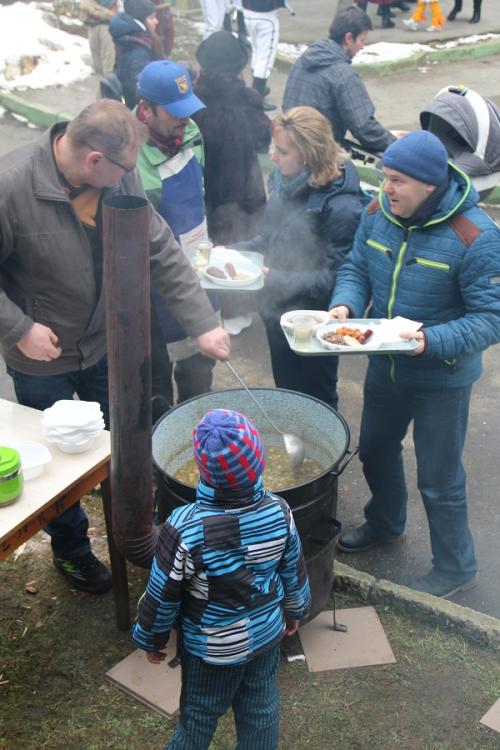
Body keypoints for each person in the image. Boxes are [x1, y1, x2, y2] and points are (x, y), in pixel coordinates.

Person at [0, 99, 230, 595]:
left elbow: (161, 246)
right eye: (125, 168)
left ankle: (138, 535)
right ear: (93, 161)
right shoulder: (10, 185)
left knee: (125, 443)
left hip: (105, 344)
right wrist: (19, 328)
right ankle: (74, 552)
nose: (132, 177)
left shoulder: (115, 177)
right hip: (42, 355)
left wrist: (203, 322)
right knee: (56, 464)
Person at [329, 130, 500, 597]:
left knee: (439, 480)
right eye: (386, 177)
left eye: (398, 181)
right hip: (386, 364)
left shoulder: (476, 236)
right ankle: (385, 522)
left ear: (430, 184)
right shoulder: (376, 213)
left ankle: (456, 566)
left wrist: (429, 341)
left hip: (441, 377)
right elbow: (356, 268)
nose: (388, 189)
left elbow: (490, 318)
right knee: (376, 450)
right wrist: (345, 304)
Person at [132, 408, 311, 750]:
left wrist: (151, 638)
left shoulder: (185, 526)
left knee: (198, 718)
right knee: (261, 711)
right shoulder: (280, 510)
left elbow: (162, 593)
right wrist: (294, 610)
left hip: (212, 649)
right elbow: (293, 568)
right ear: (259, 461)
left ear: (202, 469)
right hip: (265, 635)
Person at [236, 106, 364, 409]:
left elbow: (335, 277)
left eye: (282, 151)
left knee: (316, 400)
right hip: (277, 310)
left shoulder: (341, 205)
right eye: (273, 148)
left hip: (314, 321)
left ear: (309, 154)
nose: (274, 158)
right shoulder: (288, 183)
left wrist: (273, 277)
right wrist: (235, 252)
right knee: (288, 394)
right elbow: (270, 238)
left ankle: (325, 454)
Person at [135, 60, 218, 413]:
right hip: (153, 284)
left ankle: (197, 439)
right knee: (153, 384)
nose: (183, 121)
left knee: (200, 374)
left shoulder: (191, 132)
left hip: (198, 271)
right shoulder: (128, 153)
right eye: (174, 113)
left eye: (187, 111)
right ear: (145, 110)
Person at [193, 30, 271, 246]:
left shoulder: (192, 102)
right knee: (244, 259)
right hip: (246, 197)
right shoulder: (249, 100)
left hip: (205, 197)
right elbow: (263, 143)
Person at [283, 5, 396, 154]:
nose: (362, 47)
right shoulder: (343, 74)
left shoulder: (305, 58)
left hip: (289, 146)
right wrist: (398, 146)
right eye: (362, 40)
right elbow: (365, 128)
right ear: (348, 38)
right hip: (318, 156)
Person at [109, 0, 163, 109]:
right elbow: (140, 87)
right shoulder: (137, 51)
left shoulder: (135, 40)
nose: (156, 21)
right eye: (152, 18)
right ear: (141, 21)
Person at [242, 0, 287, 111]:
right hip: (266, 15)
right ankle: (257, 96)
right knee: (265, 58)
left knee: (257, 52)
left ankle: (257, 90)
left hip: (248, 13)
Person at [80, 0, 118, 76]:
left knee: (108, 66)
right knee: (100, 65)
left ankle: (107, 84)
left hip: (105, 24)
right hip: (94, 23)